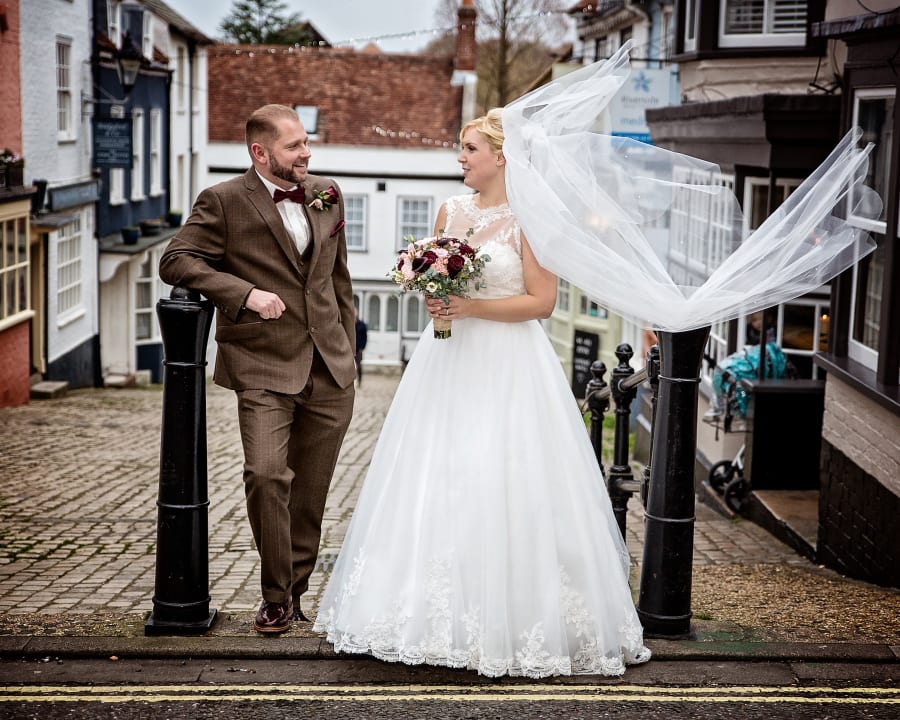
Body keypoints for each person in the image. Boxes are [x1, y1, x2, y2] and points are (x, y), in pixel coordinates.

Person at [313, 109, 651, 678]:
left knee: (503, 474)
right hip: (447, 361)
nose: (461, 158)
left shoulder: (533, 220)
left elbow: (541, 302)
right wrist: (436, 298)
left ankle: (516, 617)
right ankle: (421, 614)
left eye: (469, 148)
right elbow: (443, 278)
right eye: (460, 149)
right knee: (437, 471)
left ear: (501, 156)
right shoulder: (451, 210)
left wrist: (470, 307)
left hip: (509, 364)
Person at [159, 104, 356, 634]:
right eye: (295, 146)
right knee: (267, 475)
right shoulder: (223, 201)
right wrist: (244, 294)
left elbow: (339, 280)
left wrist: (349, 354)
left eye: (306, 143)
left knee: (311, 494)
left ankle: (294, 595)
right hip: (263, 365)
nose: (307, 154)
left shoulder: (327, 192)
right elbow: (175, 260)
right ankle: (274, 595)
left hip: (330, 370)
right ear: (260, 153)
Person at [354, 309, 368, 386]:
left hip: (358, 349)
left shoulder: (362, 325)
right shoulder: (350, 324)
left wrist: (362, 347)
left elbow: (365, 337)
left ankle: (359, 381)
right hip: (350, 349)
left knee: (359, 365)